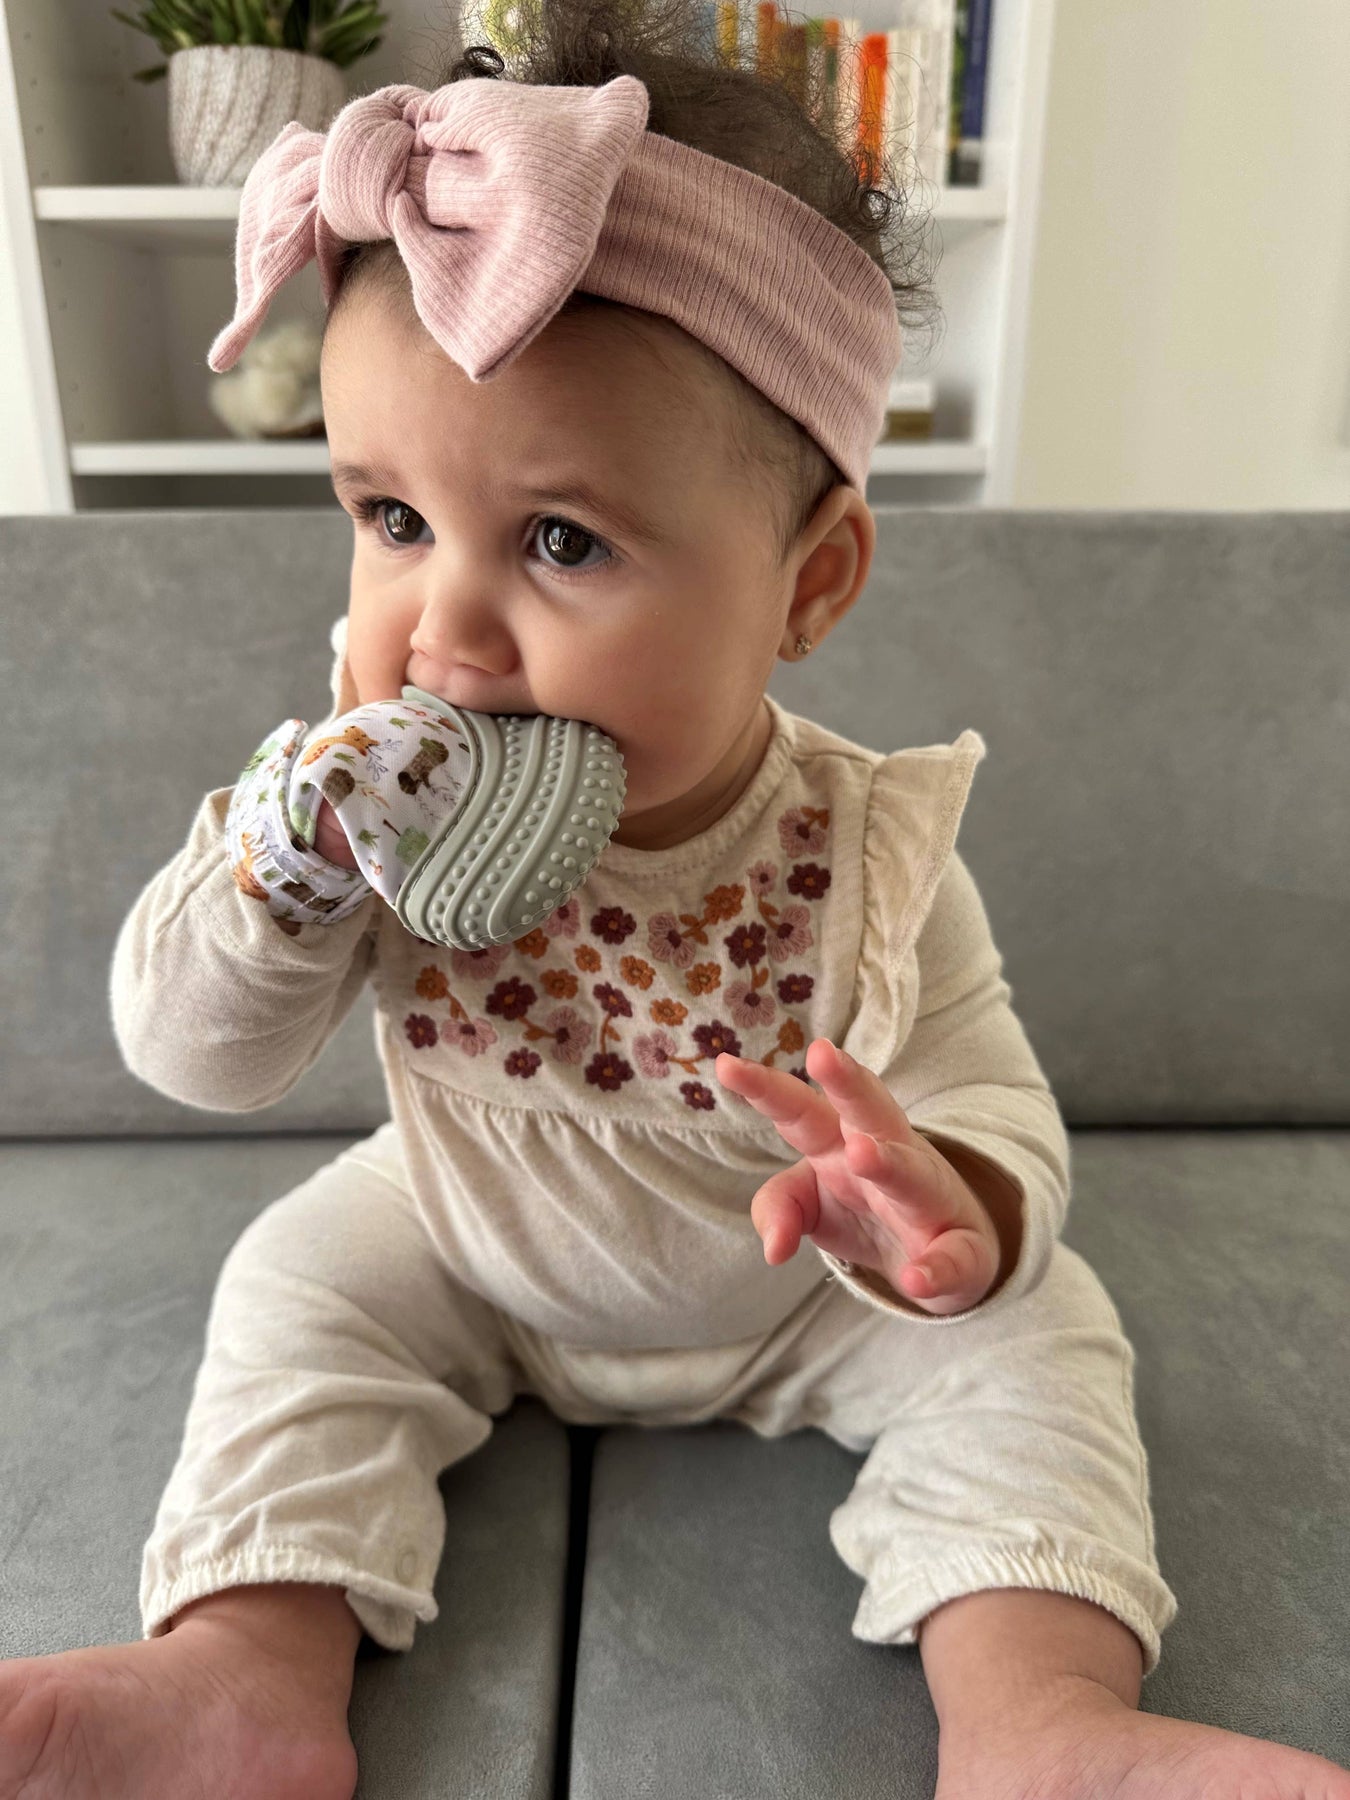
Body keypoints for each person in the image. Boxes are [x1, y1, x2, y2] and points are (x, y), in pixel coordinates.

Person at [2, 5, 1346, 1798]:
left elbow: (982, 1078)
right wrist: (277, 876)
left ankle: (1041, 1719)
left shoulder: (864, 848)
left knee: (1044, 1332)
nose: (444, 635)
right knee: (296, 1283)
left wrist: (950, 1208)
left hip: (801, 1282)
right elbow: (193, 1057)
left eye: (561, 542)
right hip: (463, 1239)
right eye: (391, 518)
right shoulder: (344, 820)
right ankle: (242, 1669)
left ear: (810, 583)